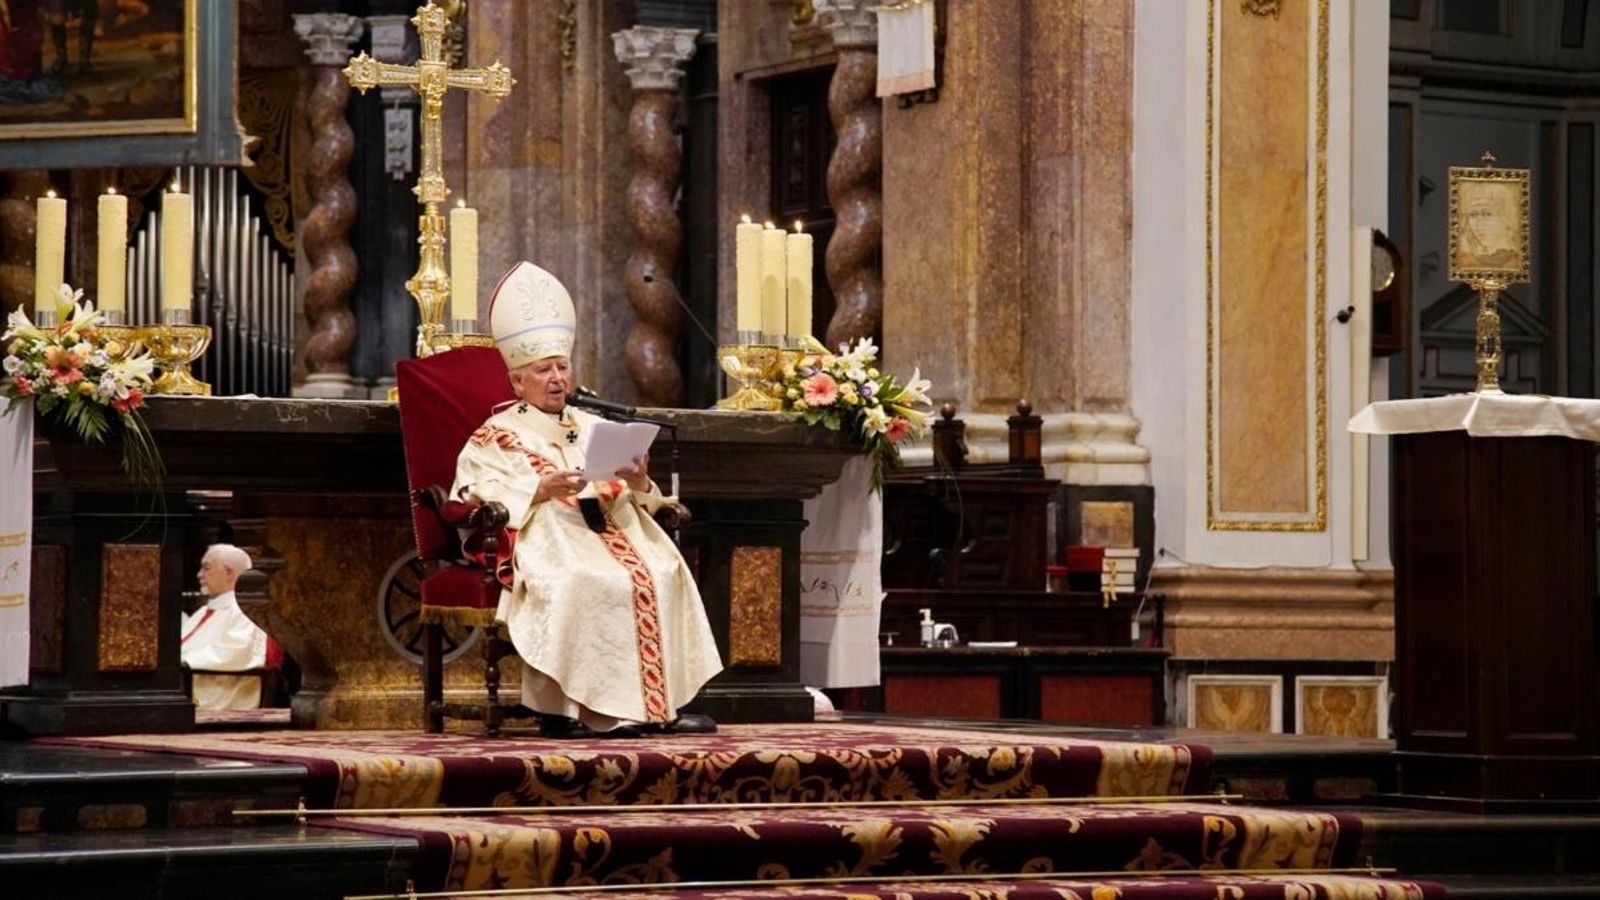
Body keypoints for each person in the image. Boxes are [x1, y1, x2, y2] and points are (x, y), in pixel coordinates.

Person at [451, 261, 722, 738]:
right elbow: (475, 494)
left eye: (562, 366)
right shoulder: (497, 434)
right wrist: (539, 488)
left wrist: (637, 479)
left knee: (662, 571)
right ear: (517, 381)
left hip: (610, 527)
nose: (557, 378)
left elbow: (634, 492)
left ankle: (658, 708)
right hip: (547, 536)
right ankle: (567, 712)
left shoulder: (595, 424)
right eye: (543, 370)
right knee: (583, 580)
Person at [180, 543, 270, 711]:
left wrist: (182, 661)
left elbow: (235, 652)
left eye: (206, 568)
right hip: (187, 682)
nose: (199, 575)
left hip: (221, 692)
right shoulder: (203, 611)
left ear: (229, 572)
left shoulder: (247, 611)